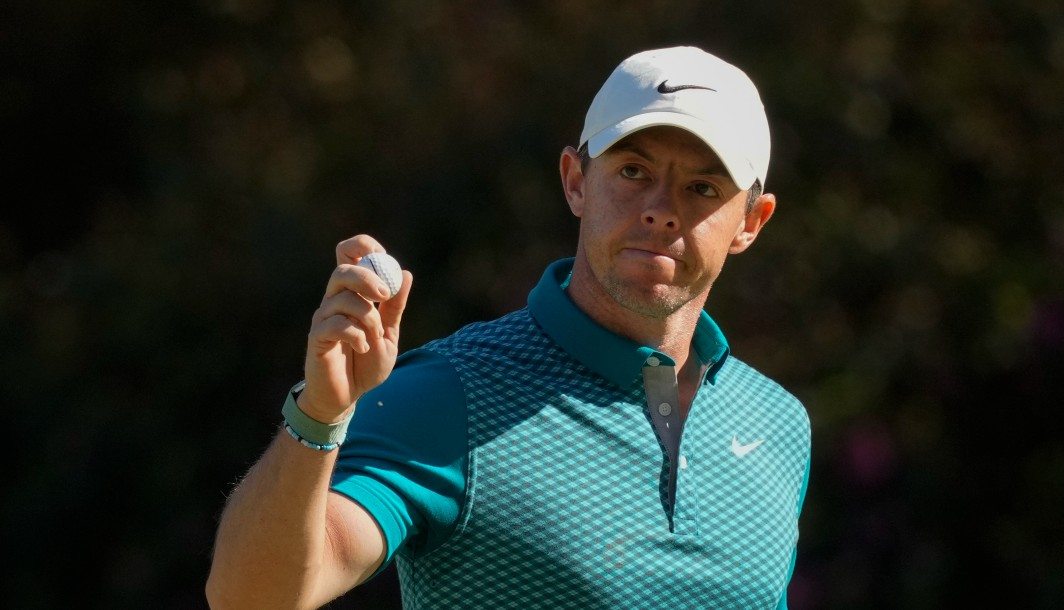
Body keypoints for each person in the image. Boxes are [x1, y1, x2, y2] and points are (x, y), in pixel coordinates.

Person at [207, 45, 811, 609]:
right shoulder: (450, 393)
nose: (660, 206)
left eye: (702, 186)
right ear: (576, 181)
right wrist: (318, 414)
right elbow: (252, 598)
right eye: (632, 171)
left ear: (751, 222)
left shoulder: (778, 424)